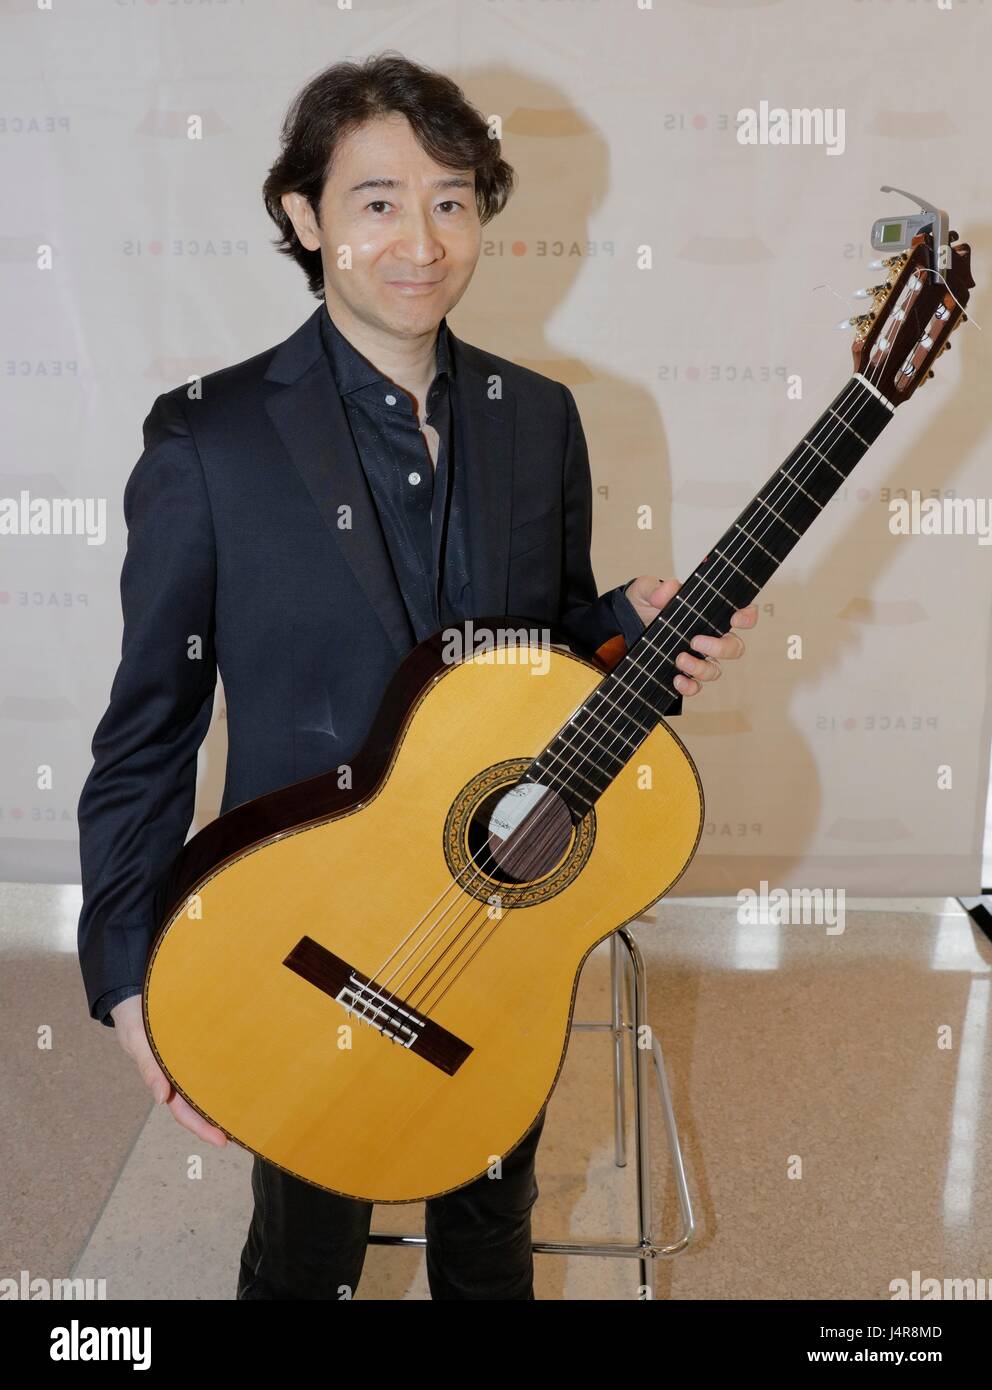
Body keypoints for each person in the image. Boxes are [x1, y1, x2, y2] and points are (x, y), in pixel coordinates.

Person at [76, 51, 758, 1300]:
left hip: (494, 916)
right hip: (302, 932)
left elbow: (534, 654)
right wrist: (130, 977)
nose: (420, 239)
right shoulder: (205, 440)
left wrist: (626, 630)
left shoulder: (537, 416)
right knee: (305, 1248)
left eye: (451, 200)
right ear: (304, 218)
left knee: (495, 1220)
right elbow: (147, 733)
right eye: (376, 200)